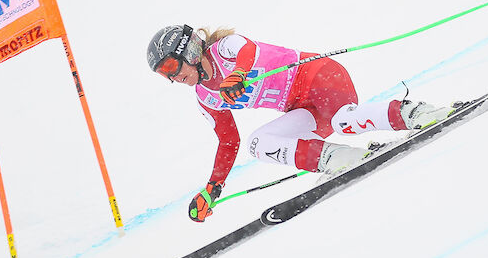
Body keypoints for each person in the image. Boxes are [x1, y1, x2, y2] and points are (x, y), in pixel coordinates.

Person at [147, 24, 457, 222]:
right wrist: (213, 188)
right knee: (259, 143)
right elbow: (229, 141)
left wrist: (238, 74)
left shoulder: (223, 50)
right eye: (165, 75)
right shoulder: (205, 96)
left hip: (319, 76)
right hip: (301, 108)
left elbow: (248, 51)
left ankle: (417, 114)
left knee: (344, 119)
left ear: (189, 50)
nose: (174, 77)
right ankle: (342, 159)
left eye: (172, 66)